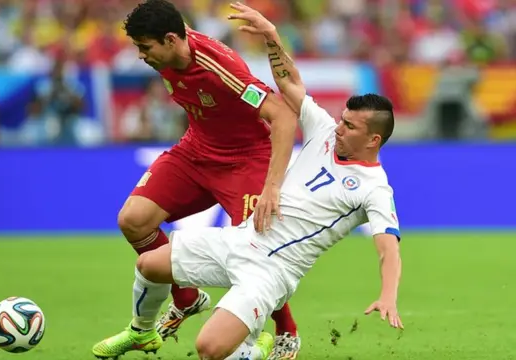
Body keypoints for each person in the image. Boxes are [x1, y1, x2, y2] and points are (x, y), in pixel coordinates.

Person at [92, 3, 404, 360]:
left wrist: (388, 295)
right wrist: (272, 36)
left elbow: (388, 248)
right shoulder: (324, 130)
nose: (339, 126)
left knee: (209, 349)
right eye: (342, 119)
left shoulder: (374, 188)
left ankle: (282, 335)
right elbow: (289, 85)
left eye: (349, 125)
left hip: (272, 264)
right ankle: (152, 325)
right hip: (236, 237)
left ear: (373, 140)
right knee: (147, 262)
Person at [105, 0, 302, 357]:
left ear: (169, 40)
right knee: (133, 220)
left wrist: (272, 186)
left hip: (245, 159)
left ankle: (286, 331)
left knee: (255, 252)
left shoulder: (218, 66)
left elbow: (284, 117)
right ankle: (187, 297)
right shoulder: (168, 53)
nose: (140, 55)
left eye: (144, 47)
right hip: (196, 151)